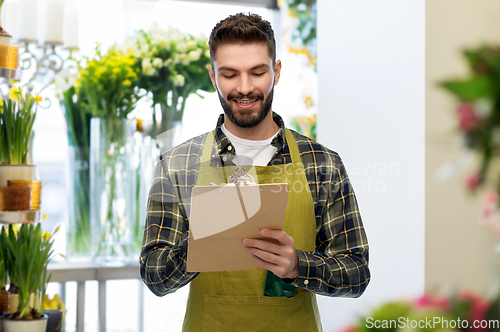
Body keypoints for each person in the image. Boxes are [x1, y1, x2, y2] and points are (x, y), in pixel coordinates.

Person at [140, 13, 370, 332]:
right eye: (230, 74)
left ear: (275, 72)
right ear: (212, 76)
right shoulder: (178, 163)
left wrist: (297, 265)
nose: (245, 88)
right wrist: (204, 237)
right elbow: (155, 276)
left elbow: (356, 273)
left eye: (257, 72)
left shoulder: (322, 163)